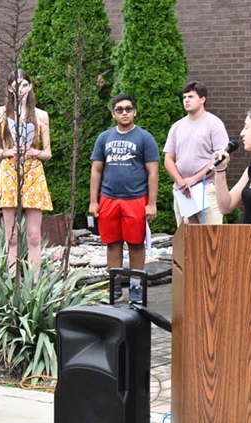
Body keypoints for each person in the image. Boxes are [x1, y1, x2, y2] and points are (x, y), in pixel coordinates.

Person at [89, 93, 159, 302]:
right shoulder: (104, 137)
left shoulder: (144, 138)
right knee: (112, 243)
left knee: (136, 243)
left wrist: (152, 203)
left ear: (135, 112)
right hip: (109, 198)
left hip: (136, 199)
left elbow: (153, 172)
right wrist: (94, 201)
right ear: (113, 114)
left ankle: (136, 287)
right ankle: (115, 285)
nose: (125, 113)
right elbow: (96, 170)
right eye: (120, 110)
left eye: (128, 109)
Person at [0, 69, 52, 281]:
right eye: (16, 85)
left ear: (30, 86)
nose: (21, 89)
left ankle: (35, 283)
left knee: (34, 236)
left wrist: (35, 152)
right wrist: (8, 151)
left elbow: (48, 152)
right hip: (9, 171)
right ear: (10, 89)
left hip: (33, 172)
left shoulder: (41, 115)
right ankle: (11, 284)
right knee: (12, 236)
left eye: (24, 84)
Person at [164, 81, 230, 226]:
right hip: (183, 191)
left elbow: (220, 159)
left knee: (212, 239)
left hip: (206, 188)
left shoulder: (214, 124)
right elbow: (168, 158)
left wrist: (194, 179)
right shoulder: (177, 126)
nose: (186, 100)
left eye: (191, 96)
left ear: (202, 99)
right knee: (186, 241)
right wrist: (180, 181)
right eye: (184, 97)